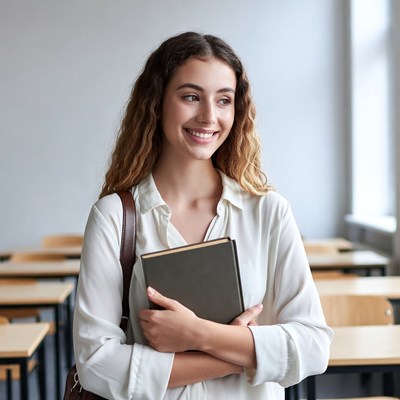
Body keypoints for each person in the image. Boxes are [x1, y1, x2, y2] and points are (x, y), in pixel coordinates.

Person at [73, 31, 333, 399]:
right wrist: (242, 351)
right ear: (157, 102)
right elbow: (97, 364)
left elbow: (313, 346)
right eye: (191, 97)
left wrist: (197, 335)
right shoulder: (113, 217)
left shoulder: (269, 211)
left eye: (224, 100)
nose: (209, 116)